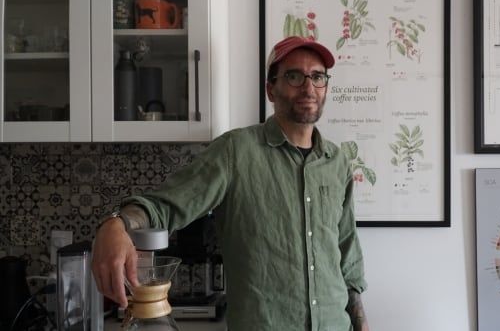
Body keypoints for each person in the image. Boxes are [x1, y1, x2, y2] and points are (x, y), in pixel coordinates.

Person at [92, 36, 370, 331]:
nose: (308, 87)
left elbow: (346, 251)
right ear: (270, 90)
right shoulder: (235, 151)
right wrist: (116, 224)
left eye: (317, 76)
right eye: (293, 75)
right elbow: (166, 205)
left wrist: (361, 322)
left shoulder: (337, 162)